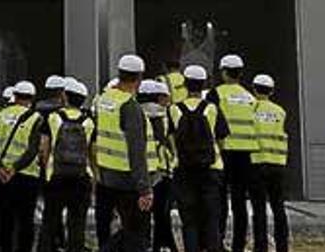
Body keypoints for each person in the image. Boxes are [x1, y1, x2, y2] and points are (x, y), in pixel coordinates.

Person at [93, 55, 153, 252]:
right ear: (139, 78)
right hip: (127, 180)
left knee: (112, 229)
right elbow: (136, 151)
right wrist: (144, 189)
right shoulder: (130, 107)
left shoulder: (103, 99)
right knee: (135, 232)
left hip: (105, 176)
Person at [172, 65, 229, 252]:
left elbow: (170, 138)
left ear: (185, 84)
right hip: (211, 169)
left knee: (189, 219)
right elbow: (221, 138)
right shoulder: (212, 108)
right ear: (203, 84)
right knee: (212, 217)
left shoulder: (174, 109)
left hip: (183, 169)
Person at [205, 54, 258, 252]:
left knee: (219, 201)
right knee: (239, 202)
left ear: (224, 72)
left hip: (224, 152)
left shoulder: (216, 94)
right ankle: (238, 245)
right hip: (245, 155)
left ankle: (217, 242)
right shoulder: (249, 97)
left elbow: (210, 123)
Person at [0, 80, 44, 252]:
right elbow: (32, 149)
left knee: (6, 219)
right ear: (31, 98)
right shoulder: (36, 118)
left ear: (15, 96)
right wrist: (15, 168)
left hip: (2, 176)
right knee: (26, 220)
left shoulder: (0, 115)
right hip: (26, 176)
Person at [40, 78, 93, 252]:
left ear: (65, 96)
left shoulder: (53, 117)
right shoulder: (89, 120)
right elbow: (93, 152)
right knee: (77, 223)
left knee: (49, 221)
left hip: (56, 176)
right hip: (81, 177)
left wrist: (45, 169)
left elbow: (44, 148)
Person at [249, 74, 290, 252]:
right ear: (272, 91)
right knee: (278, 207)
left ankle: (261, 247)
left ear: (254, 89)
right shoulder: (280, 111)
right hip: (278, 163)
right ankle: (282, 246)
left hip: (257, 163)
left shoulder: (251, 109)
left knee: (259, 209)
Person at [140, 80, 177, 252]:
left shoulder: (134, 112)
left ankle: (145, 244)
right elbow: (171, 143)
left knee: (143, 214)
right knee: (162, 214)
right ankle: (161, 246)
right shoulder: (166, 115)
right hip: (163, 170)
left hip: (140, 170)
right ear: (158, 97)